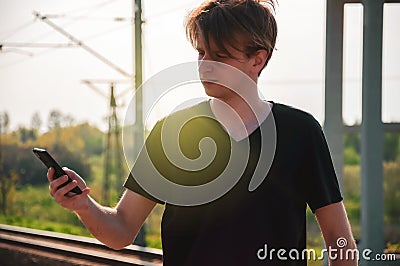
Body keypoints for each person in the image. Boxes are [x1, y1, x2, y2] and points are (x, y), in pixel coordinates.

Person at [47, 0, 357, 265]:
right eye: (201, 53)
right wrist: (83, 206)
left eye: (220, 56)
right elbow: (122, 229)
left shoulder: (301, 133)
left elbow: (340, 244)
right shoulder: (171, 131)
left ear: (257, 59)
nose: (206, 65)